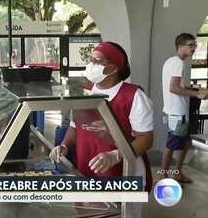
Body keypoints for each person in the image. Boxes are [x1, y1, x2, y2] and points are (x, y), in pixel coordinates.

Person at [50, 42, 154, 217]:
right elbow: (76, 126)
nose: (90, 65)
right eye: (90, 59)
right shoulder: (85, 92)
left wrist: (116, 155)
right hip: (86, 170)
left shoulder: (133, 96)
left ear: (113, 68)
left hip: (123, 174)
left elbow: (146, 139)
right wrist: (64, 145)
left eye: (96, 61)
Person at [161, 33, 208, 183]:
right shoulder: (178, 64)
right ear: (180, 46)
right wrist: (197, 94)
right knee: (171, 145)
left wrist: (194, 90)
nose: (194, 48)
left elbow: (178, 86)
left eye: (195, 45)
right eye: (191, 45)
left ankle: (177, 173)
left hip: (175, 112)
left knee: (185, 144)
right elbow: (173, 88)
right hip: (177, 114)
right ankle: (163, 175)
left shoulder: (171, 61)